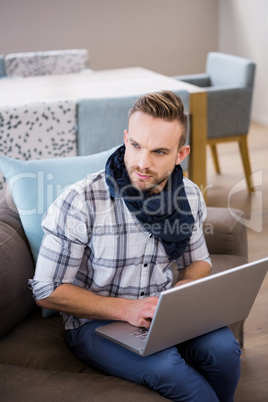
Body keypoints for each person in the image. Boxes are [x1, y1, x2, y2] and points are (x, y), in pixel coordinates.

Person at [29, 91, 241, 401]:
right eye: (136, 146)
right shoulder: (81, 201)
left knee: (224, 351)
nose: (142, 163)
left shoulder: (189, 195)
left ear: (181, 154)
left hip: (163, 312)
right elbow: (46, 291)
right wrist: (128, 310)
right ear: (126, 138)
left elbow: (198, 261)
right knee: (168, 367)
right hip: (95, 323)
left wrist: (183, 293)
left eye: (158, 152)